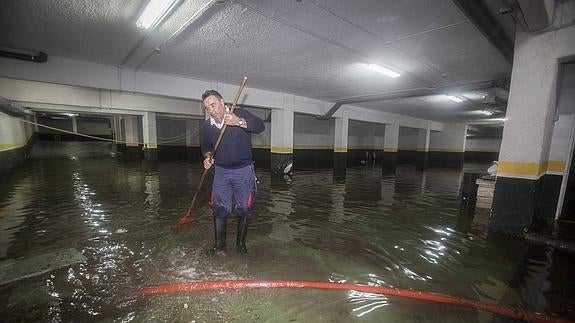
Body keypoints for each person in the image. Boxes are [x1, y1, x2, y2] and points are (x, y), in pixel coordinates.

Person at [201, 89, 265, 256]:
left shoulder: (240, 113)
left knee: (244, 208)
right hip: (221, 172)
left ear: (222, 102)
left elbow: (260, 126)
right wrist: (208, 158)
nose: (211, 110)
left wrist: (239, 122)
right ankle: (219, 245)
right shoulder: (207, 127)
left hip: (244, 171)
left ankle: (240, 245)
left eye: (213, 105)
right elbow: (206, 148)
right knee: (219, 208)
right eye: (207, 108)